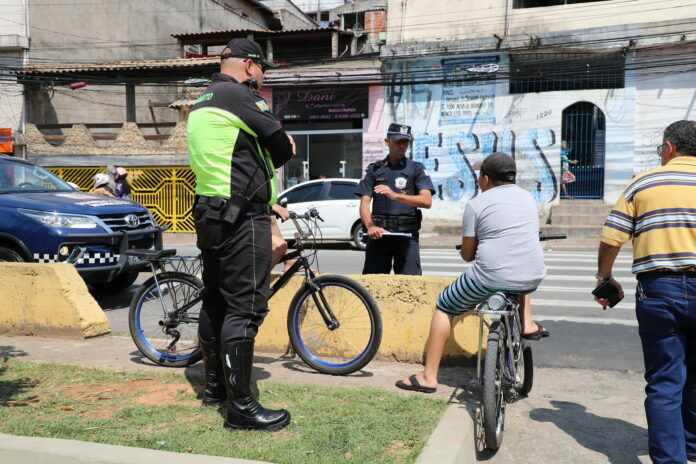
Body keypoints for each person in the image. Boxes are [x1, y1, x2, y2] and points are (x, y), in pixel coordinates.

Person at [187, 38, 296, 432]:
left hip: (210, 214)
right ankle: (242, 408)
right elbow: (282, 149)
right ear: (250, 66)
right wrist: (284, 144)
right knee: (245, 308)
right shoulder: (241, 96)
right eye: (263, 71)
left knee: (215, 300)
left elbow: (235, 156)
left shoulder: (202, 101)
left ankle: (215, 388)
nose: (262, 78)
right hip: (240, 218)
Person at [396, 152, 547, 393]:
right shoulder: (529, 198)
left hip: (489, 277)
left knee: (444, 304)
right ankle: (527, 322)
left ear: (485, 179)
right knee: (519, 277)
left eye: (479, 175)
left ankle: (428, 376)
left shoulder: (476, 204)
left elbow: (468, 255)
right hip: (533, 274)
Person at [594, 120, 696, 463]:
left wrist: (604, 277)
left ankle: (671, 459)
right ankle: (693, 446)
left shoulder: (644, 182)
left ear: (669, 148)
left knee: (665, 381)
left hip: (659, 290)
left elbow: (612, 238)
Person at [355, 123, 435, 275]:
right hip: (379, 236)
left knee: (410, 285)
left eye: (406, 142)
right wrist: (370, 226)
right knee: (373, 285)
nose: (402, 146)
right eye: (398, 141)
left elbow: (427, 201)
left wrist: (396, 195)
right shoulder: (375, 169)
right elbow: (364, 203)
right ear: (387, 141)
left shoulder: (416, 169)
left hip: (406, 237)